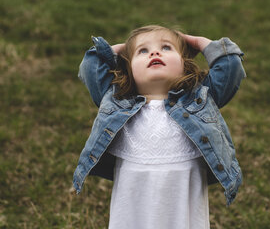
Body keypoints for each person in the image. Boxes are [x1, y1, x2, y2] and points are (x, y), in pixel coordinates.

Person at [73, 25, 246, 229]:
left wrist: (198, 42)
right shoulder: (117, 100)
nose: (154, 52)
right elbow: (91, 67)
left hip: (182, 196)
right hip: (133, 200)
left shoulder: (200, 98)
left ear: (184, 63)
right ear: (128, 68)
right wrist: (121, 50)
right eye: (142, 51)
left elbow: (230, 66)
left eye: (166, 48)